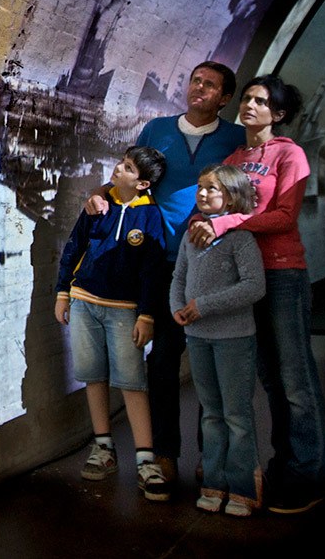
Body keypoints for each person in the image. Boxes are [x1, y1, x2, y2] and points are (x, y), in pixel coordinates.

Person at [86, 61, 245, 483]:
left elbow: (246, 196)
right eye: (196, 80)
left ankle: (210, 459)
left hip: (211, 264)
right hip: (159, 261)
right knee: (161, 363)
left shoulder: (235, 138)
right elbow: (131, 176)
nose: (199, 88)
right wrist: (100, 196)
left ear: (225, 98)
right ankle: (165, 453)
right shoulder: (157, 130)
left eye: (210, 85)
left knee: (211, 368)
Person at [188, 74, 325, 514]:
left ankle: (306, 475)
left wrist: (227, 223)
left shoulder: (290, 154)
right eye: (246, 98)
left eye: (260, 101)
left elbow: (283, 216)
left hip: (283, 275)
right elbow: (217, 205)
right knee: (268, 377)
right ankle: (278, 465)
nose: (249, 105)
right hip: (241, 278)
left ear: (278, 114)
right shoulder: (234, 156)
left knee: (295, 380)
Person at [56, 145, 170, 501]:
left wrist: (147, 314)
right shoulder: (97, 206)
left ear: (144, 183)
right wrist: (63, 292)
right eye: (121, 163)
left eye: (128, 168)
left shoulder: (150, 218)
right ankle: (103, 447)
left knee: (132, 381)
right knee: (93, 376)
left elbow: (154, 271)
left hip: (124, 310)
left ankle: (145, 459)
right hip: (86, 302)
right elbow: (73, 248)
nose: (118, 169)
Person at [170, 165, 265, 516]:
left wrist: (204, 306)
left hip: (233, 338)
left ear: (233, 195)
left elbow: (254, 286)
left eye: (212, 188)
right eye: (200, 187)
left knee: (236, 414)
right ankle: (213, 481)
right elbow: (179, 276)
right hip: (197, 337)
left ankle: (242, 487)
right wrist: (177, 307)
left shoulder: (240, 237)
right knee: (210, 412)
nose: (203, 193)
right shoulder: (191, 234)